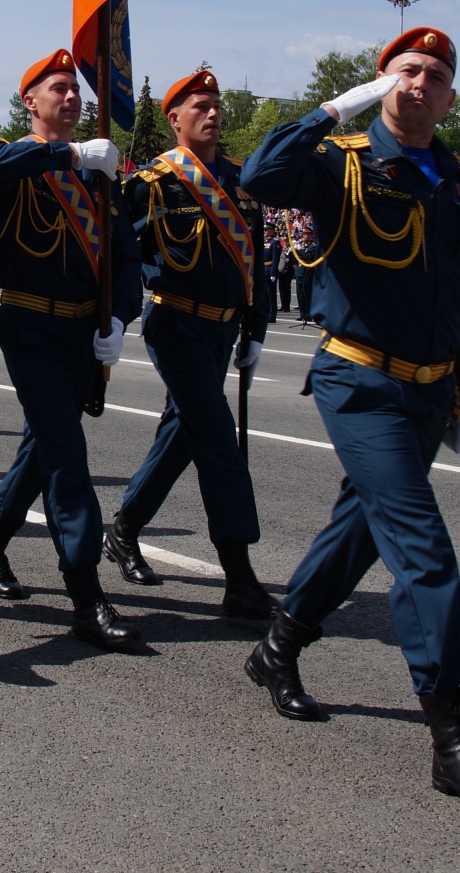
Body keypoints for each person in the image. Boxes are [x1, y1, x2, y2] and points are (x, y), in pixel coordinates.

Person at [242, 25, 460, 804]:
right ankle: (450, 734)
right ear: (382, 82)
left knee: (359, 529)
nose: (419, 83)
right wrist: (336, 108)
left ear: (450, 95)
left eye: (435, 74)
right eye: (406, 70)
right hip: (359, 380)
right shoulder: (341, 162)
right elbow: (263, 175)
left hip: (429, 391)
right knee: (422, 549)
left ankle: (279, 643)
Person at [0, 49, 145, 648]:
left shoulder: (98, 176)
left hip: (81, 333)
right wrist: (71, 153)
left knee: (45, 445)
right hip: (31, 329)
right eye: (58, 89)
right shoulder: (16, 156)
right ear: (31, 101)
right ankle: (85, 593)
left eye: (76, 90)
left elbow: (124, 257)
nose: (71, 98)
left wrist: (120, 318)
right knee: (68, 457)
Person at [104, 66, 274, 620]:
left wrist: (256, 326)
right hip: (174, 325)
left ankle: (125, 528)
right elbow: (112, 250)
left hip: (223, 328)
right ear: (174, 118)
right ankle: (239, 576)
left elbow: (255, 260)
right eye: (199, 105)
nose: (212, 112)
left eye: (216, 103)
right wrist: (112, 315)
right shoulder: (153, 183)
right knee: (217, 437)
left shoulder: (242, 182)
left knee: (184, 432)